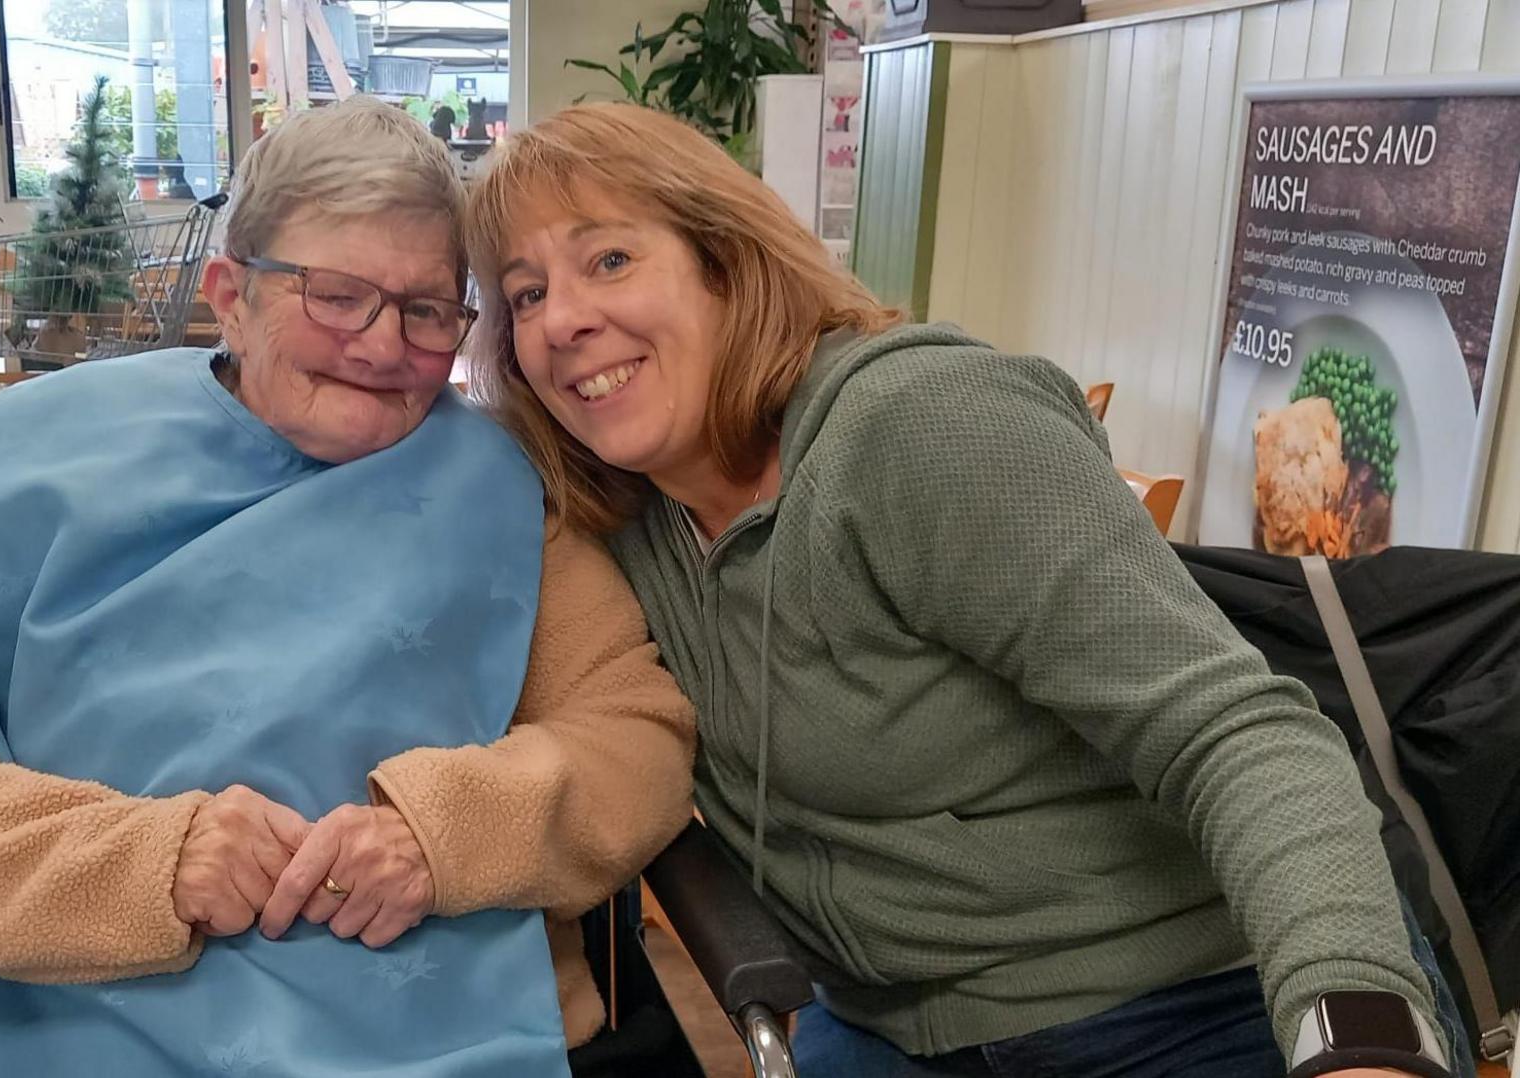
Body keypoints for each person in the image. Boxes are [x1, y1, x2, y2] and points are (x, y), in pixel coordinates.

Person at [465, 101, 1476, 1078]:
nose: (565, 321)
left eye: (609, 259)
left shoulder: (918, 426)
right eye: (525, 294)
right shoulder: (612, 526)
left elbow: (1239, 734)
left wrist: (1360, 1026)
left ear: (726, 263)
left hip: (1195, 1001)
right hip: (891, 1028)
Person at [0, 96, 695, 1077]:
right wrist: (147, 860)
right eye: (335, 294)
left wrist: (445, 834)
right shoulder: (44, 466)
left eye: (426, 310)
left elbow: (636, 736)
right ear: (229, 292)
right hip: (86, 1039)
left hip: (444, 1038)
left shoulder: (501, 490)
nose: (383, 347)